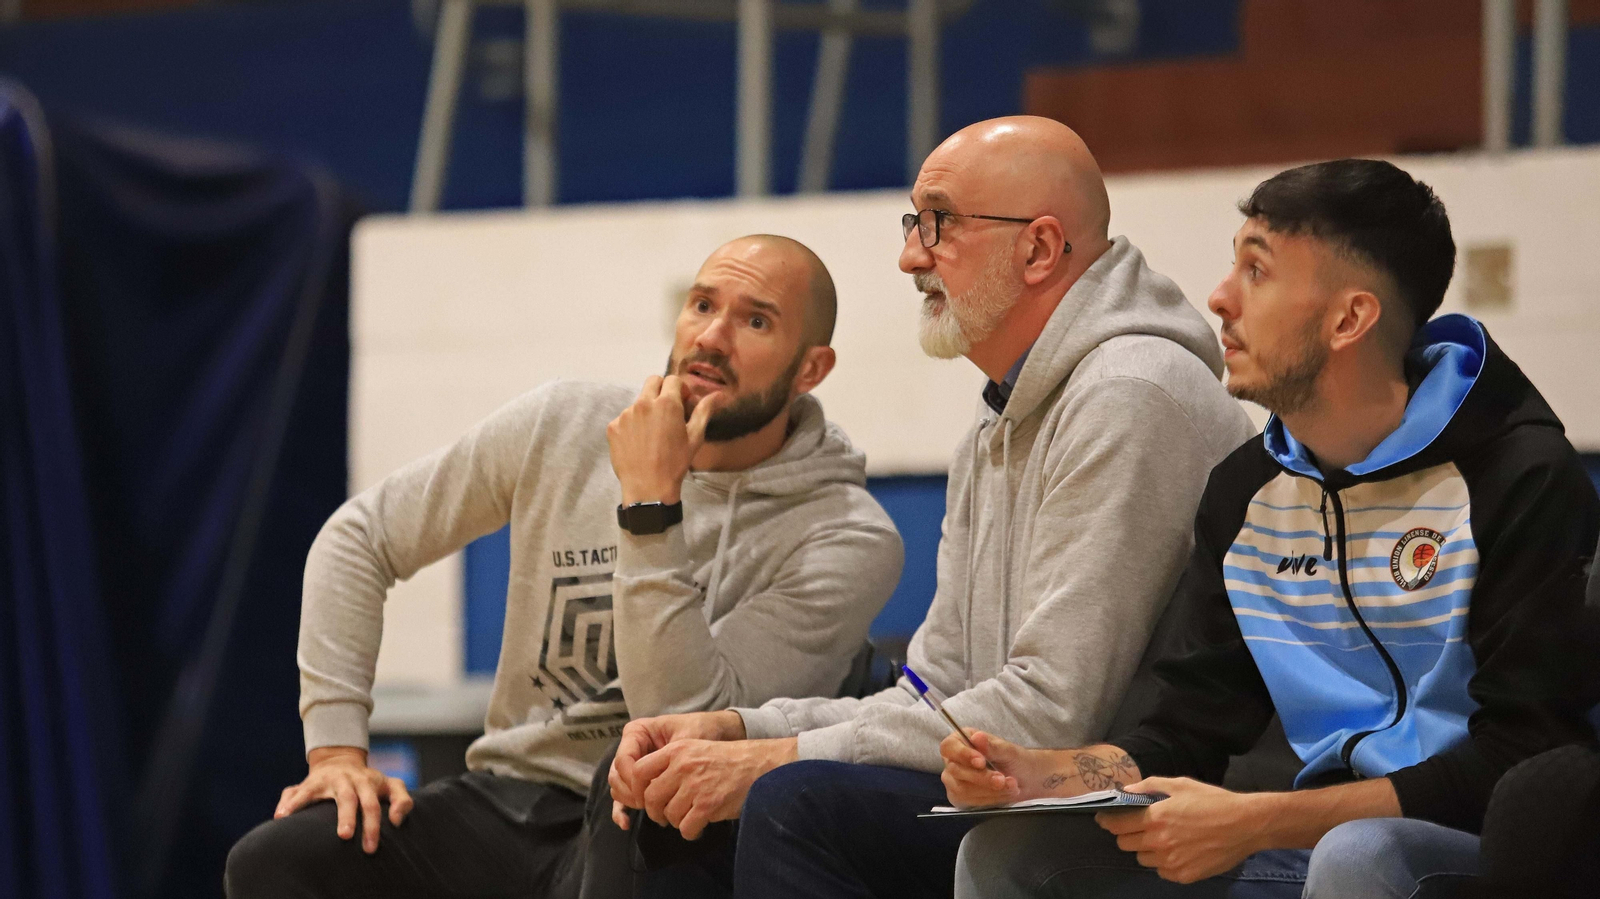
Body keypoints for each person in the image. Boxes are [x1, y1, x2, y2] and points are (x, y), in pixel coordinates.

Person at [607, 116, 1256, 898]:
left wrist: (774, 758)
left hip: (1138, 804)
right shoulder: (996, 423)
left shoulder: (1130, 395)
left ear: (1040, 249)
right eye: (914, 223)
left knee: (791, 802)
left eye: (939, 223)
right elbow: (935, 688)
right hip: (1013, 788)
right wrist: (742, 728)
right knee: (662, 793)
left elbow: (1052, 715)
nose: (911, 255)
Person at [943, 159, 1600, 899]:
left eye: (1256, 270)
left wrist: (1261, 821)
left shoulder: (1520, 477)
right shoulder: (1244, 491)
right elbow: (1182, 730)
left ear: (1349, 319)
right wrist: (1046, 773)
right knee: (1007, 853)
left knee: (1358, 856)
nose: (1220, 298)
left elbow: (1521, 758)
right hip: (1300, 844)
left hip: (1457, 852)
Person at [223, 235, 904, 899]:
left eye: (755, 320)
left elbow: (686, 721)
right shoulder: (566, 422)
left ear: (811, 369)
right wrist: (336, 752)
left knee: (639, 777)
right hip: (507, 797)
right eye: (701, 305)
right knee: (277, 861)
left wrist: (649, 504)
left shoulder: (846, 536)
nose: (712, 338)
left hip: (658, 827)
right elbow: (358, 537)